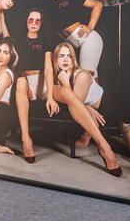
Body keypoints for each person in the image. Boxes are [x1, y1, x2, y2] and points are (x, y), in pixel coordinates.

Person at [46, 41, 121, 176]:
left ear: (73, 59)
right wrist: (86, 106)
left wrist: (85, 105)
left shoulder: (82, 75)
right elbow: (74, 102)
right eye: (61, 56)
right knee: (66, 96)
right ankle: (101, 144)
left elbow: (76, 102)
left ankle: (104, 147)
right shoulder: (57, 78)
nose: (65, 59)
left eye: (69, 56)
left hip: (104, 107)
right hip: (85, 110)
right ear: (55, 59)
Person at [45, 0, 104, 77]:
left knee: (84, 78)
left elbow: (98, 4)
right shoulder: (47, 6)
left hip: (87, 39)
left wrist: (90, 26)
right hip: (73, 45)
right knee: (92, 82)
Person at [13, 8, 49, 163]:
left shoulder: (46, 40)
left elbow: (49, 68)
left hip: (43, 83)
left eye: (37, 20)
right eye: (31, 20)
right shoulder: (18, 40)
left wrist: (51, 96)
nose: (34, 23)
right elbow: (14, 64)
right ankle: (26, 139)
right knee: (20, 81)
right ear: (26, 21)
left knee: (66, 92)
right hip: (26, 85)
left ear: (41, 23)